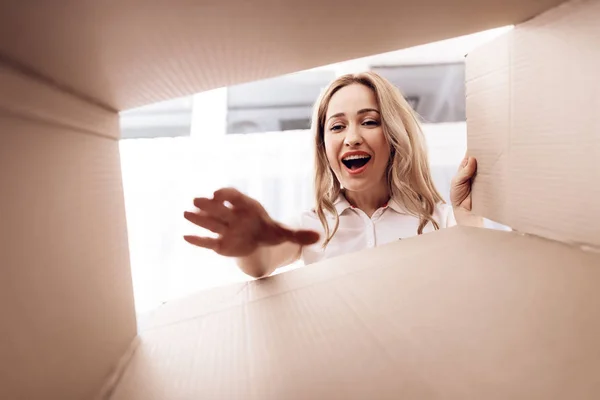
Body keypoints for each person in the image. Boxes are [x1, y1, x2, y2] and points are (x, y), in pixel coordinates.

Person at [183, 72, 481, 278]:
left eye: (368, 122)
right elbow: (264, 261)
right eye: (337, 127)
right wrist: (251, 247)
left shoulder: (440, 220)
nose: (352, 138)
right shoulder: (311, 226)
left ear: (394, 137)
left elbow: (478, 278)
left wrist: (470, 216)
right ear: (323, 146)